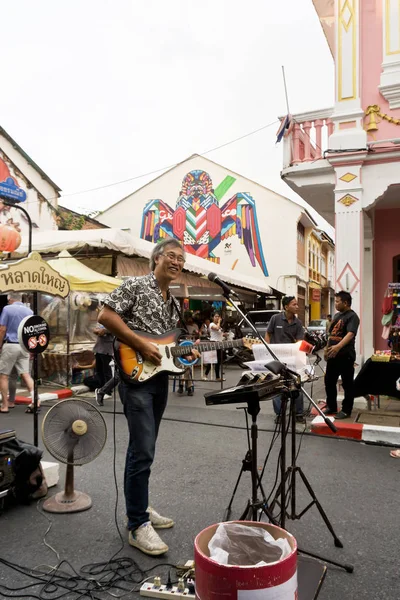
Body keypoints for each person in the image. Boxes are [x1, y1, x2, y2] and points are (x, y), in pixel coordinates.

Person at [98, 238, 196, 556]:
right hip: (136, 380)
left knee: (142, 449)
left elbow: (169, 347)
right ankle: (138, 525)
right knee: (143, 452)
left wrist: (188, 353)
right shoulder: (136, 285)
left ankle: (138, 507)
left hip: (159, 380)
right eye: (171, 256)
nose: (177, 262)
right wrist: (139, 345)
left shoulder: (172, 302)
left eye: (181, 259)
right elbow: (106, 316)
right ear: (155, 259)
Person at [265, 296, 305, 422]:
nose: (297, 307)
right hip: (277, 360)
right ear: (286, 307)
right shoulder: (275, 319)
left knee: (297, 384)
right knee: (277, 386)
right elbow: (268, 333)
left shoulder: (298, 323)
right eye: (294, 304)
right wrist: (268, 349)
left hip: (292, 359)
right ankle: (280, 414)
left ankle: (298, 413)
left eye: (297, 304)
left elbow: (300, 341)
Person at [324, 291, 360, 420]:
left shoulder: (352, 317)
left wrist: (339, 347)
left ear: (345, 303)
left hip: (346, 355)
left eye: (338, 301)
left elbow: (350, 334)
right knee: (329, 381)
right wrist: (327, 348)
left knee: (347, 384)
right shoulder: (337, 315)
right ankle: (332, 406)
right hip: (333, 355)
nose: (336, 304)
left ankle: (346, 410)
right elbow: (331, 334)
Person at [0, 293, 34, 414]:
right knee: (25, 374)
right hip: (24, 346)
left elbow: (2, 329)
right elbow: (32, 331)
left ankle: (5, 405)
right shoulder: (29, 311)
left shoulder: (7, 309)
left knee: (4, 375)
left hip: (10, 345)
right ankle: (34, 399)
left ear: (10, 299)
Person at [204, 312, 225, 381]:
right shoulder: (211, 324)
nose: (217, 318)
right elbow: (216, 328)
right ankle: (205, 374)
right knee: (211, 360)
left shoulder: (219, 326)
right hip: (213, 343)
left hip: (219, 343)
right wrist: (219, 322)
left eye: (218, 316)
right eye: (216, 316)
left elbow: (220, 333)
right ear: (213, 317)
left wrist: (225, 334)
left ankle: (217, 377)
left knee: (218, 361)